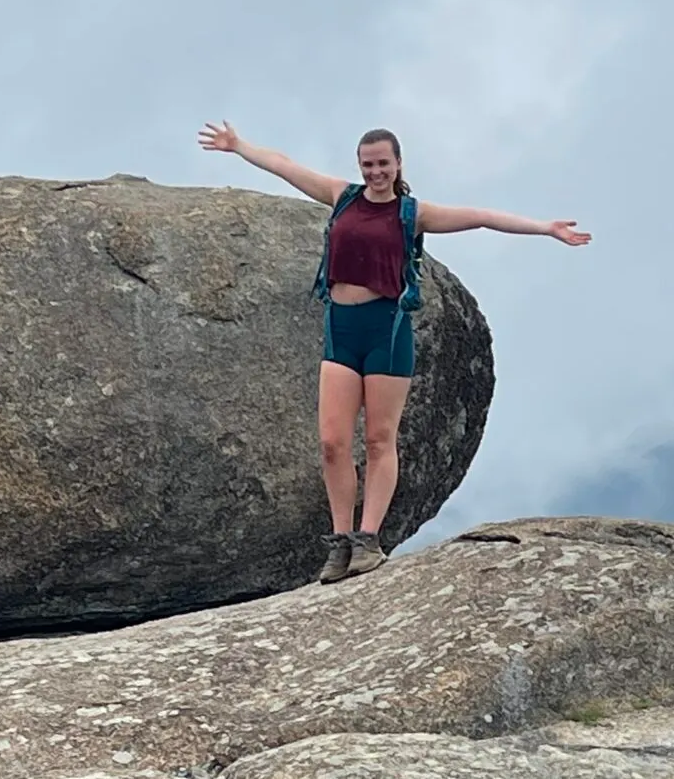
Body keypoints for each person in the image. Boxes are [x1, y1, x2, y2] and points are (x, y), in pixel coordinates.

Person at [197, 121, 591, 582]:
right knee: (332, 443)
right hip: (341, 330)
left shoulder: (412, 214)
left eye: (383, 163)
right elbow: (285, 166)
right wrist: (239, 146)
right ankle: (340, 541)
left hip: (387, 330)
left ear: (398, 164)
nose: (375, 171)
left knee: (380, 440)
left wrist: (545, 228)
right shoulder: (342, 197)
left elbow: (481, 216)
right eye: (368, 164)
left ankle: (368, 540)